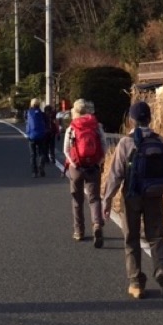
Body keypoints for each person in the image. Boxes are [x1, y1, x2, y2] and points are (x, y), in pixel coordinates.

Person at [102, 100, 163, 302]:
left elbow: (116, 174)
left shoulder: (126, 143)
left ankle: (136, 283)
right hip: (155, 196)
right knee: (157, 237)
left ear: (131, 120)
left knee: (132, 238)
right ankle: (162, 270)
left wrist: (107, 199)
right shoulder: (161, 141)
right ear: (150, 118)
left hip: (132, 196)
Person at [63, 99, 107, 246]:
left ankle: (79, 231)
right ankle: (97, 225)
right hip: (93, 167)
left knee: (77, 200)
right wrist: (99, 162)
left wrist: (73, 163)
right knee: (94, 199)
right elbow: (104, 146)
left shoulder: (72, 127)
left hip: (76, 168)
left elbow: (66, 149)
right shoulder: (96, 126)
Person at [25, 97, 47, 177]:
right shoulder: (42, 114)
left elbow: (26, 121)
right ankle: (41, 166)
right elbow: (46, 123)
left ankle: (34, 172)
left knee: (32, 154)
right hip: (41, 135)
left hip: (31, 136)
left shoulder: (28, 112)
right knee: (42, 153)